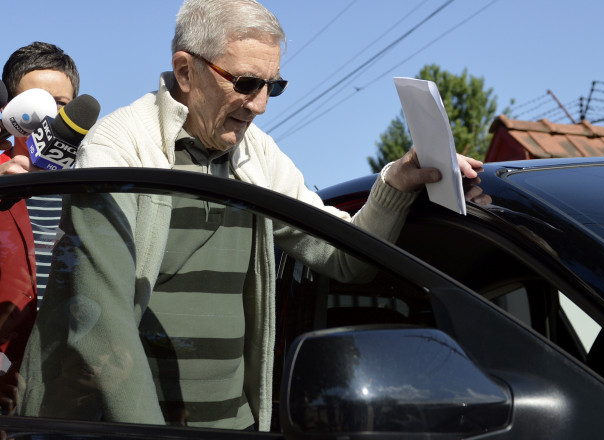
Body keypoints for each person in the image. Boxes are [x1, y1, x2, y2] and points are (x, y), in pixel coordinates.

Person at [18, 0, 483, 431]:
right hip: (122, 428)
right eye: (245, 83)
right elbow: (101, 322)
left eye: (272, 86)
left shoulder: (256, 155)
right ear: (186, 70)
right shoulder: (116, 149)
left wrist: (395, 184)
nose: (260, 104)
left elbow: (345, 257)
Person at [0, 42, 79, 413]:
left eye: (62, 105)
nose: (49, 116)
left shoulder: (95, 185)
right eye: (36, 101)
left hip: (69, 390)